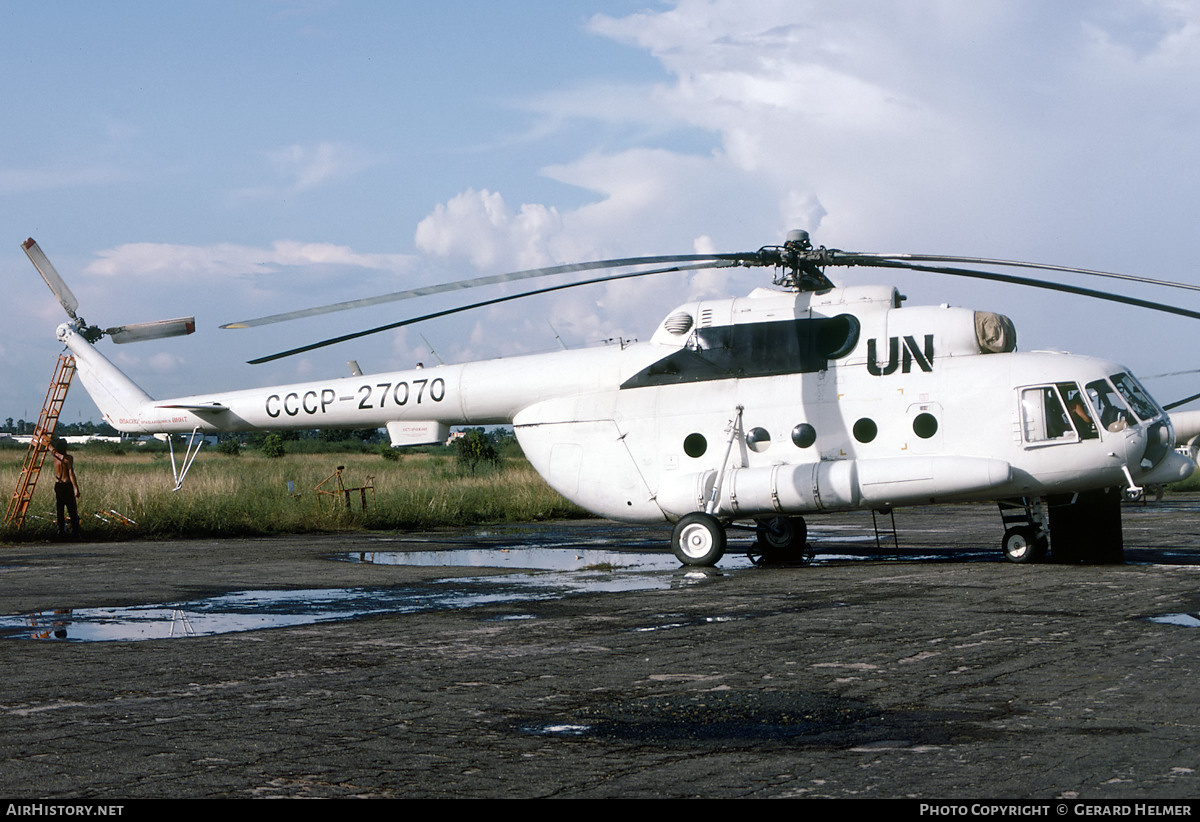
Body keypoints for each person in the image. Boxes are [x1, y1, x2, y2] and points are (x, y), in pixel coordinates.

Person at [44, 436, 81, 540]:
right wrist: (76, 488)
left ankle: (61, 532)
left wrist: (45, 439)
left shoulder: (55, 455)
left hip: (58, 485)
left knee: (61, 509)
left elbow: (49, 447)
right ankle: (75, 533)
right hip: (66, 485)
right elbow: (71, 474)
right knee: (72, 510)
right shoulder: (68, 458)